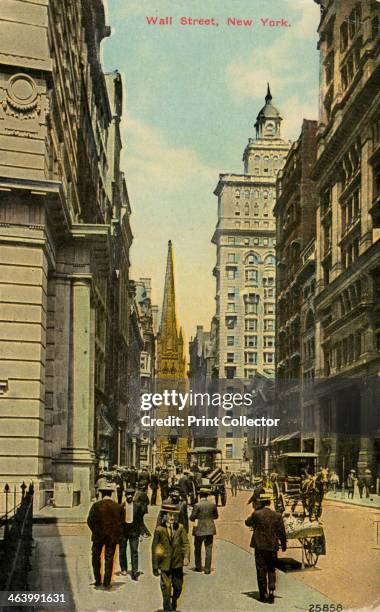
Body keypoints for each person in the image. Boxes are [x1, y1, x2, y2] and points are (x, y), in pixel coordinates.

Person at [245, 492, 287, 604]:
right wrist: (283, 545)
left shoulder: (257, 514)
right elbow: (282, 532)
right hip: (272, 546)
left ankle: (263, 594)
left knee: (260, 568)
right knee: (271, 568)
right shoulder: (277, 515)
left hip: (259, 546)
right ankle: (272, 590)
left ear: (261, 503)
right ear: (270, 502)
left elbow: (247, 523)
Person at [152, 503, 190, 612]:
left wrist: (186, 556)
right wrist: (155, 565)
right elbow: (155, 547)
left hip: (177, 563)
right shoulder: (159, 530)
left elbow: (186, 544)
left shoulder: (180, 528)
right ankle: (167, 609)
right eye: (169, 515)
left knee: (178, 587)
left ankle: (174, 601)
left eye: (174, 515)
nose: (172, 517)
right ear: (164, 516)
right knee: (166, 588)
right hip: (164, 564)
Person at [87, 484, 123, 589]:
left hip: (98, 536)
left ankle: (98, 580)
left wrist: (95, 531)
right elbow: (121, 523)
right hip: (111, 538)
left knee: (95, 557)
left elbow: (89, 521)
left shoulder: (96, 506)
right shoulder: (117, 507)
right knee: (109, 558)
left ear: (102, 494)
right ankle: (107, 582)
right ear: (111, 494)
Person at [190, 487, 218, 574]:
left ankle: (198, 567)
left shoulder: (197, 505)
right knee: (208, 549)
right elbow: (216, 516)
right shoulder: (212, 505)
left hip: (199, 529)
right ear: (207, 496)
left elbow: (192, 518)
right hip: (210, 529)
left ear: (200, 495)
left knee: (197, 548)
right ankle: (207, 569)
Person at [119, 488, 146, 580]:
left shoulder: (137, 506)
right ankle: (123, 568)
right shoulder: (121, 507)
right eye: (128, 495)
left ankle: (135, 571)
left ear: (133, 496)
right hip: (123, 532)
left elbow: (140, 521)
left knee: (134, 551)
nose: (129, 496)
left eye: (131, 494)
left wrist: (142, 533)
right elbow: (118, 521)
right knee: (122, 550)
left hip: (134, 532)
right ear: (125, 496)